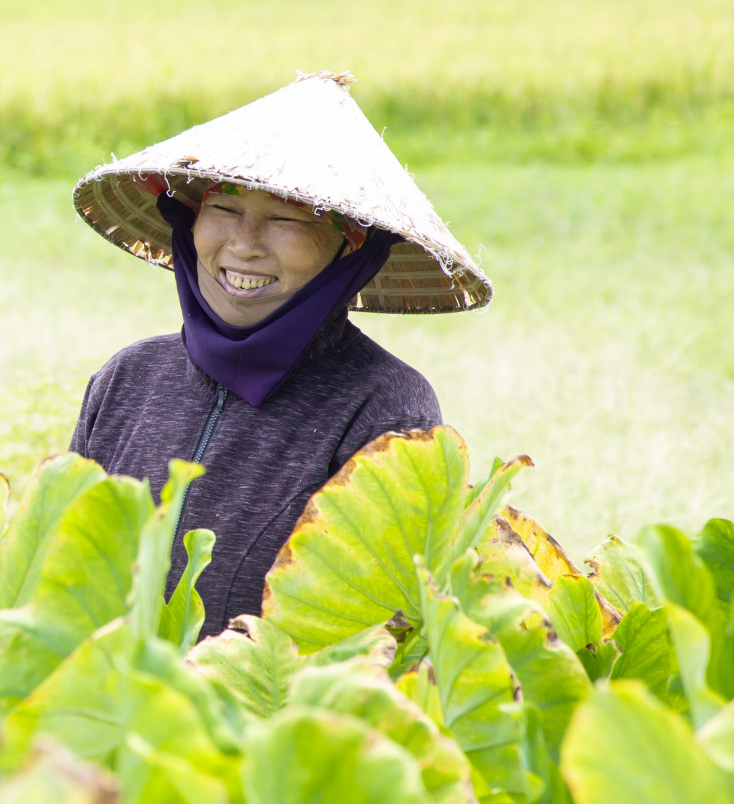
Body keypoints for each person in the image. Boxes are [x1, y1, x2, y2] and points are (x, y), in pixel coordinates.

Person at [69, 71, 492, 637]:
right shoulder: (129, 378)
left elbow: (377, 623)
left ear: (352, 245)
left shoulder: (385, 405)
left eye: (286, 218)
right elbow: (63, 562)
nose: (243, 245)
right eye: (223, 209)